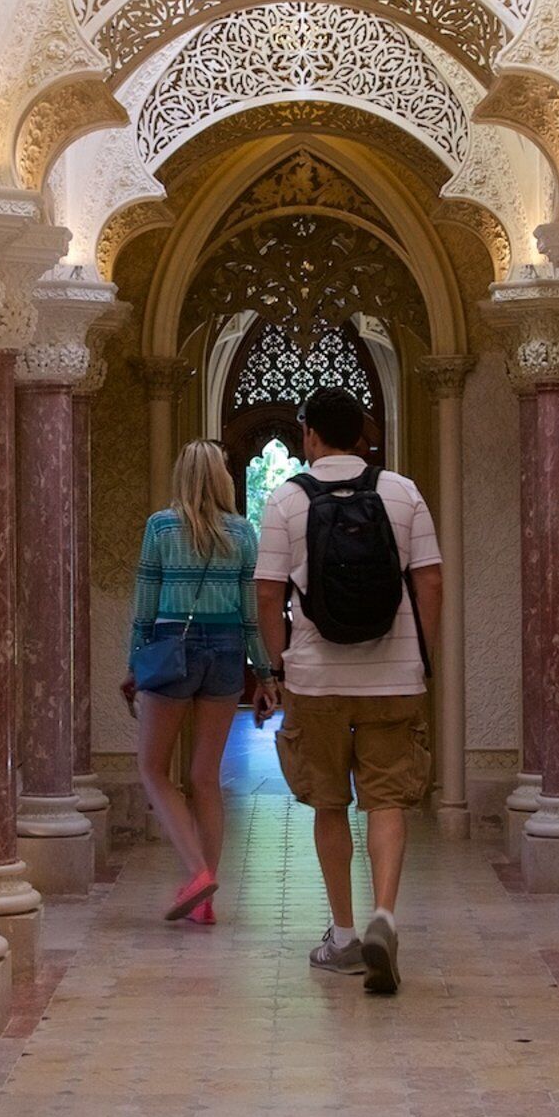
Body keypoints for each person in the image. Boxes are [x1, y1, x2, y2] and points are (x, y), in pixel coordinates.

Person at [254, 386, 445, 996]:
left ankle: (341, 936)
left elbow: (267, 591)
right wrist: (422, 656)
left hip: (317, 678)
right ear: (364, 434)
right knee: (387, 799)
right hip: (393, 676)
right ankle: (383, 917)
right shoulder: (402, 491)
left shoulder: (286, 501)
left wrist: (278, 666)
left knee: (329, 802)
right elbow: (430, 580)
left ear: (309, 436)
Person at [121, 438, 267, 924]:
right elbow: (250, 617)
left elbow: (145, 606)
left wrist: (134, 664)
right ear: (224, 479)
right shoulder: (244, 533)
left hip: (171, 650)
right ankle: (204, 903)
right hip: (226, 654)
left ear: (181, 475)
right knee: (206, 778)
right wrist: (265, 673)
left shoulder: (160, 527)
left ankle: (198, 873)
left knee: (153, 769)